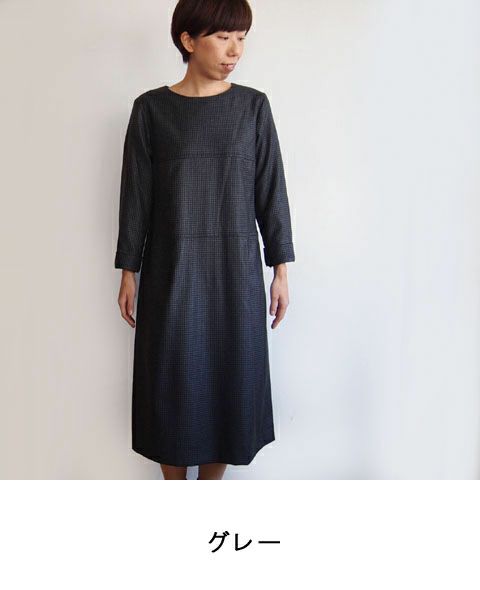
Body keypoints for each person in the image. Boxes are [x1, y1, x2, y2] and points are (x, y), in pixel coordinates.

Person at [114, 0, 295, 480]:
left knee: (230, 382)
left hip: (235, 274)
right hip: (171, 271)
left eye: (242, 38)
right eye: (223, 37)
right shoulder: (152, 110)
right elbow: (136, 196)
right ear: (188, 40)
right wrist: (129, 270)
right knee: (170, 384)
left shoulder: (252, 107)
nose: (235, 50)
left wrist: (280, 269)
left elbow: (271, 191)